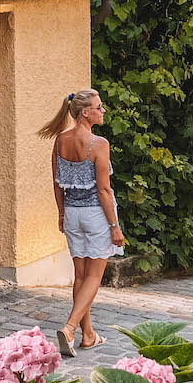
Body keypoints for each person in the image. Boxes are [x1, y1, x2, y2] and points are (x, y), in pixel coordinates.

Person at [37, 89, 125, 357]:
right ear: (85, 112)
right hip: (95, 215)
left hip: (73, 214)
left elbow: (57, 184)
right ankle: (71, 327)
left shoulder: (60, 140)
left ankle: (88, 335)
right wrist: (114, 227)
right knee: (95, 276)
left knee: (80, 275)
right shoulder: (99, 144)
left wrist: (61, 214)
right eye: (99, 107)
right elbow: (104, 191)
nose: (102, 111)